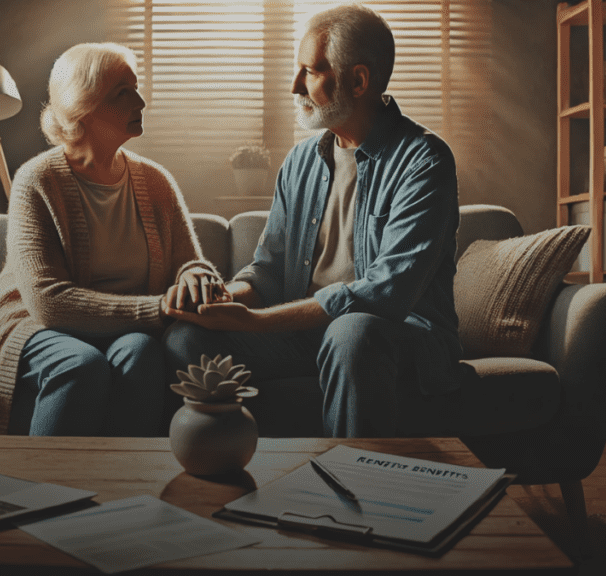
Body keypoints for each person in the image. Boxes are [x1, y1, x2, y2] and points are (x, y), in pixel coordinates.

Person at [163, 4, 462, 437]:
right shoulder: (302, 160)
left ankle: (352, 492)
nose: (294, 85)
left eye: (310, 71)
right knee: (184, 338)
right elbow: (268, 270)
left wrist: (259, 322)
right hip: (307, 332)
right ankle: (228, 477)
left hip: (396, 336)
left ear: (359, 80)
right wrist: (222, 299)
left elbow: (386, 294)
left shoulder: (424, 160)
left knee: (352, 333)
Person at [0, 43, 225, 436]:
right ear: (83, 108)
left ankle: (126, 490)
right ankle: (45, 493)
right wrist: (157, 309)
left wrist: (196, 275)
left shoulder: (156, 181)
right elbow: (48, 303)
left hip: (123, 329)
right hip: (33, 323)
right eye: (123, 93)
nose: (140, 101)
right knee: (80, 364)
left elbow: (187, 262)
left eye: (136, 88)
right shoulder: (36, 180)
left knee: (142, 354)